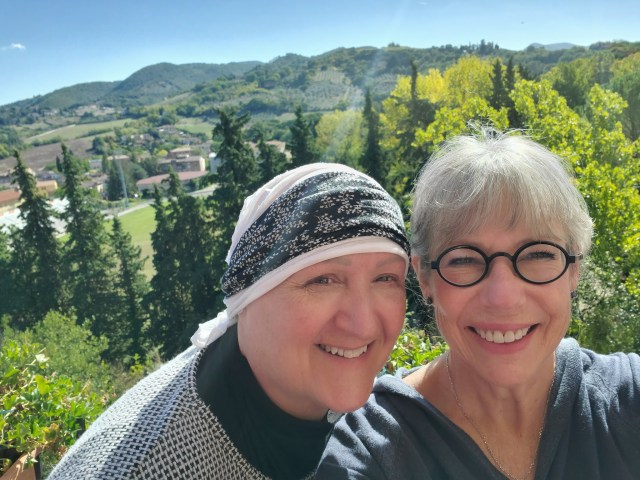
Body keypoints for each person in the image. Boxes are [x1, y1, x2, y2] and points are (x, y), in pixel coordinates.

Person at [48, 162, 410, 480]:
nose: (363, 326)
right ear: (247, 295)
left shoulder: (296, 380)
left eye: (385, 278)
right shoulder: (143, 467)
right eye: (322, 281)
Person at [316, 129, 640, 479]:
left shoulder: (628, 398)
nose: (503, 298)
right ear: (425, 277)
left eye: (538, 254)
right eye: (464, 259)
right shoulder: (369, 451)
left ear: (573, 270)